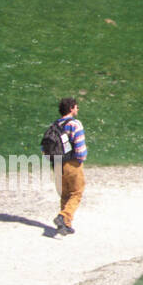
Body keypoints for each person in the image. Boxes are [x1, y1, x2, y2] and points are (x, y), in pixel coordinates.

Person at [50, 97, 87, 235]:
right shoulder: (75, 124)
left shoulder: (55, 125)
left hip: (57, 163)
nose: (77, 109)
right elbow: (79, 144)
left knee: (65, 193)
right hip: (71, 163)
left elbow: (45, 145)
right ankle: (63, 217)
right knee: (76, 192)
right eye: (76, 107)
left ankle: (65, 225)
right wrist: (81, 158)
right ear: (71, 108)